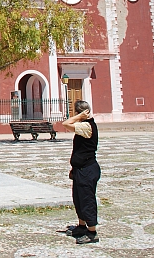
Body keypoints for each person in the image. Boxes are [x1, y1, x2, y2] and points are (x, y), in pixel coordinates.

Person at [61, 100, 101, 244]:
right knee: (78, 199)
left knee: (87, 200)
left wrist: (79, 117)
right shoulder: (84, 125)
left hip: (87, 169)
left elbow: (66, 124)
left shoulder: (87, 126)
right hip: (80, 169)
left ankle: (92, 232)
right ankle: (82, 226)